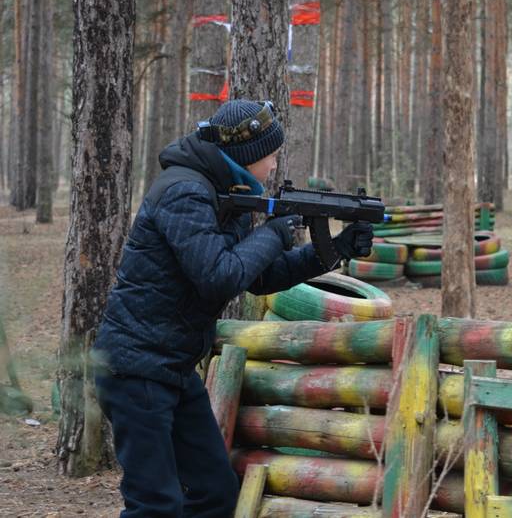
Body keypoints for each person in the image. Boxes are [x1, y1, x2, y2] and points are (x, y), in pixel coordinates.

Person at [91, 99, 373, 517]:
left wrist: (329, 253)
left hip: (171, 367)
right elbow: (219, 275)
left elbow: (254, 277)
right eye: (272, 154)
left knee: (215, 492)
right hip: (136, 369)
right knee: (156, 505)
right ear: (248, 154)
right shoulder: (184, 192)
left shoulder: (227, 193)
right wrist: (277, 232)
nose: (276, 164)